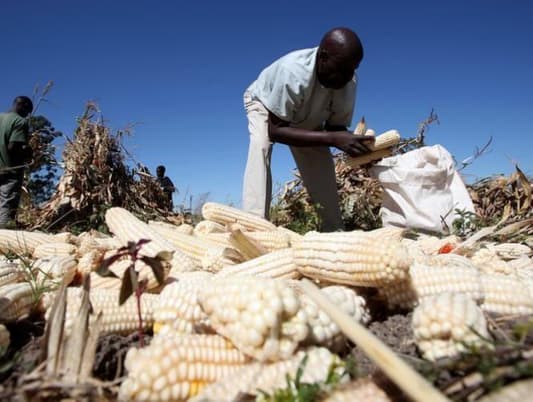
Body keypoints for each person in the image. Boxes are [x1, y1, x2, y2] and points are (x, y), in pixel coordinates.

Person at [242, 27, 373, 232]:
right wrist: (332, 139)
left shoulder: (348, 79)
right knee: (261, 145)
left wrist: (357, 147)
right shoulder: (293, 71)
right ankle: (255, 227)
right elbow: (275, 131)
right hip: (266, 105)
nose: (346, 77)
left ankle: (334, 230)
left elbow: (335, 129)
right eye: (341, 69)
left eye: (352, 70)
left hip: (303, 110)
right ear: (323, 57)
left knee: (320, 160)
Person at [0, 96, 33, 228]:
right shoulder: (20, 121)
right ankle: (4, 241)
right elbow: (13, 147)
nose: (27, 114)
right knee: (6, 204)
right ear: (23, 106)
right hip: (9, 170)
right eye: (27, 111)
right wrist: (28, 152)